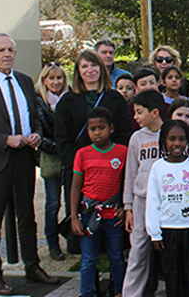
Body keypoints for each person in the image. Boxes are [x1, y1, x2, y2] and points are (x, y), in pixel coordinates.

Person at [0, 33, 59, 294]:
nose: (7, 54)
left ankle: (33, 266)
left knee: (27, 217)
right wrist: (5, 139)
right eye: (1, 50)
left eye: (11, 50)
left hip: (25, 158)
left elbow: (35, 117)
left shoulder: (25, 81)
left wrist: (37, 134)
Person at [54, 49, 134, 254]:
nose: (90, 70)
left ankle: (113, 259)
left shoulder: (115, 98)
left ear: (102, 68)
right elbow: (62, 138)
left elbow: (124, 133)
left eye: (94, 65)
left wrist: (112, 157)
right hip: (80, 167)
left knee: (111, 215)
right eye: (84, 66)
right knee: (83, 214)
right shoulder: (67, 100)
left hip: (111, 167)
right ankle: (88, 264)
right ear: (78, 72)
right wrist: (77, 162)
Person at [147, 119, 189, 297]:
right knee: (172, 281)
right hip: (167, 232)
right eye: (172, 138)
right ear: (164, 141)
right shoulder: (158, 167)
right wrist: (154, 233)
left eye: (181, 139)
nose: (177, 143)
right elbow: (152, 202)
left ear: (188, 141)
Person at [70, 107, 128, 297]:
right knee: (88, 259)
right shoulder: (82, 154)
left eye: (101, 128)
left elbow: (128, 182)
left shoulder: (122, 152)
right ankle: (87, 293)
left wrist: (125, 208)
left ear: (110, 128)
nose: (97, 132)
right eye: (92, 129)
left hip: (113, 216)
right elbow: (76, 187)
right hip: (89, 216)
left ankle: (119, 291)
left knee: (117, 258)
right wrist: (74, 217)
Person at [122, 89, 167, 297]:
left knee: (168, 248)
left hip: (167, 202)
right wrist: (128, 206)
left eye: (139, 112)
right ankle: (131, 293)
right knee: (138, 250)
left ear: (155, 112)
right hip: (142, 201)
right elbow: (130, 174)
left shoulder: (170, 134)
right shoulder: (136, 138)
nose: (135, 117)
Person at [34, 62, 69, 260]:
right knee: (52, 203)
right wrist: (60, 148)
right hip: (52, 155)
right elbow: (38, 130)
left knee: (70, 202)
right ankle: (53, 244)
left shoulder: (70, 98)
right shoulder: (39, 101)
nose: (56, 82)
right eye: (52, 78)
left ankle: (72, 241)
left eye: (59, 78)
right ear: (44, 80)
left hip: (69, 157)